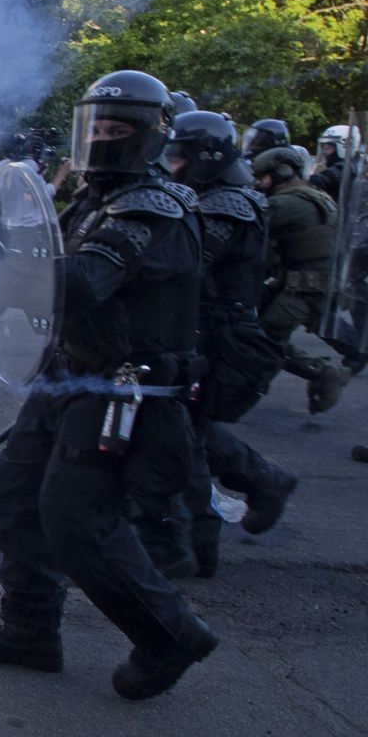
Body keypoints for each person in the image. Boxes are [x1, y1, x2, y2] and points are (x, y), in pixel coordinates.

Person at [0, 70, 217, 702]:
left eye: (116, 128)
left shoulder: (152, 207)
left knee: (76, 519)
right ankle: (29, 631)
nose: (100, 138)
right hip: (68, 375)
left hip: (123, 390)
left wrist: (12, 268)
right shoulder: (95, 201)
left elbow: (80, 283)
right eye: (94, 126)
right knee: (16, 499)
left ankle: (170, 634)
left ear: (150, 134)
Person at [131, 111, 298, 578]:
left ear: (206, 156)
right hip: (200, 330)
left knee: (180, 435)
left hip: (218, 337)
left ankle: (193, 546)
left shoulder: (227, 206)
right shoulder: (221, 197)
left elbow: (182, 263)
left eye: (179, 157)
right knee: (186, 430)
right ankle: (261, 483)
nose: (173, 165)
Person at [251, 145, 359, 412]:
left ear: (282, 173)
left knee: (265, 337)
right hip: (306, 282)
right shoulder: (309, 194)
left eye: (262, 177)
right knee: (260, 330)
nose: (258, 183)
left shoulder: (286, 203)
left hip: (306, 285)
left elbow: (248, 225)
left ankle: (323, 373)